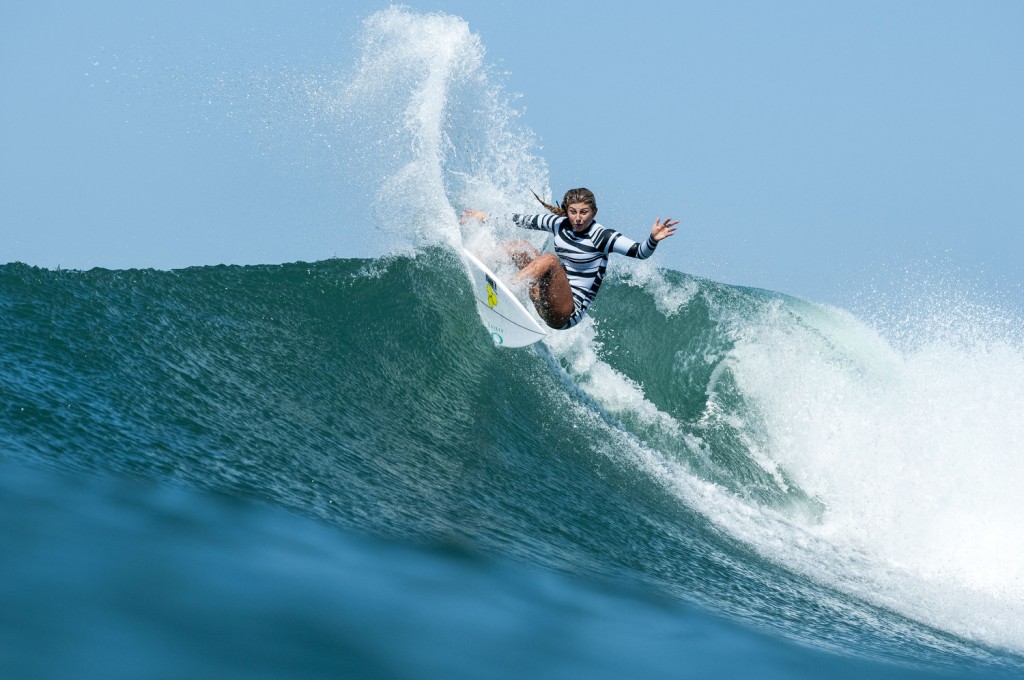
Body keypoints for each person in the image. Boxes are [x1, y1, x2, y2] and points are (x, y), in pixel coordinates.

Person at [460, 188, 678, 329]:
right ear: (566, 211)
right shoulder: (558, 224)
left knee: (550, 261)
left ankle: (503, 294)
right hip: (545, 296)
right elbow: (520, 220)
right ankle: (474, 261)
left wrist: (653, 239)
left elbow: (640, 252)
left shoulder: (602, 236)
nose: (578, 218)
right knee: (521, 247)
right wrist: (485, 216)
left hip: (566, 313)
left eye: (584, 212)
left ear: (594, 212)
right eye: (573, 211)